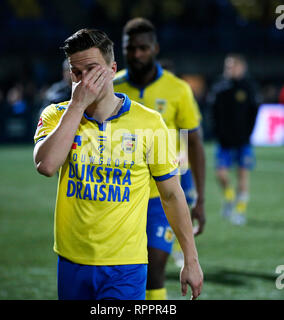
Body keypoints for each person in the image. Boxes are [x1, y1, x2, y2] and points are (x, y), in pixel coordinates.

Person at [33, 28, 203, 300]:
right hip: (71, 260)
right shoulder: (57, 115)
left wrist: (191, 260)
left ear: (112, 69)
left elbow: (172, 194)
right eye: (77, 73)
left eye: (92, 69)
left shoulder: (149, 122)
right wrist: (77, 106)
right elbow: (46, 165)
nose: (84, 80)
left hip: (126, 265)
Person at [114, 18, 206, 300]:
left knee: (154, 270)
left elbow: (193, 143)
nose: (137, 54)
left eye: (143, 48)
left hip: (160, 195)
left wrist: (200, 199)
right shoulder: (112, 86)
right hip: (119, 195)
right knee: (121, 273)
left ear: (155, 48)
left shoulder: (178, 89)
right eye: (131, 48)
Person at [208, 54, 260, 225]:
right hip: (224, 142)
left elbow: (254, 112)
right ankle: (230, 197)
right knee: (221, 174)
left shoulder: (248, 87)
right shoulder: (219, 88)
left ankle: (240, 211)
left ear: (241, 68)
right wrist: (218, 132)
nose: (229, 70)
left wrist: (248, 133)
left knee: (243, 176)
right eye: (227, 66)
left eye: (232, 66)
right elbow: (213, 112)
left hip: (243, 141)